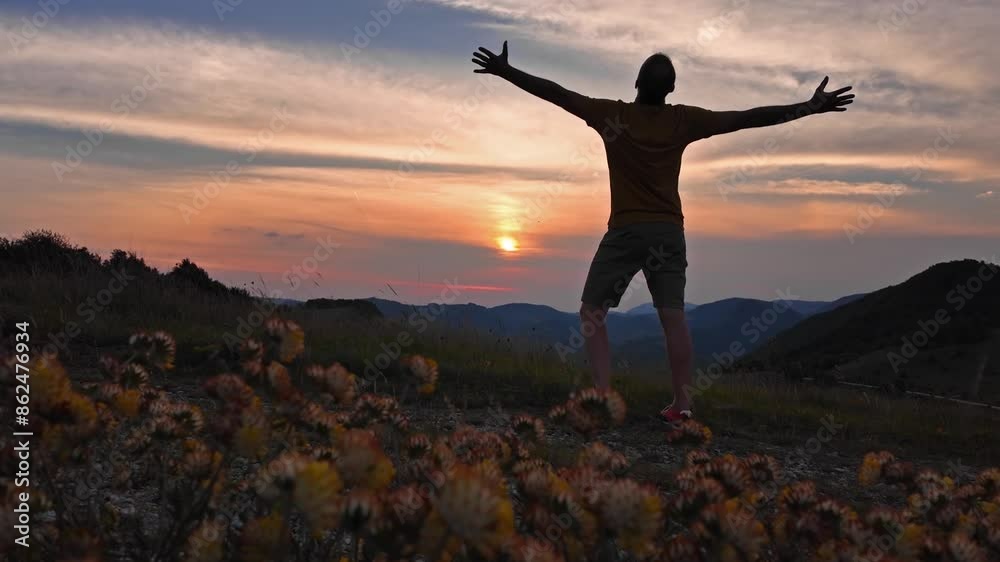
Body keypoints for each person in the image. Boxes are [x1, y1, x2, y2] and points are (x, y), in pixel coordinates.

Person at [471, 41, 854, 424]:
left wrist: (506, 71)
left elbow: (556, 93)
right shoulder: (682, 121)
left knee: (592, 311)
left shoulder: (611, 115)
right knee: (673, 317)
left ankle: (603, 396)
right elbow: (748, 117)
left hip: (625, 230)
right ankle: (682, 406)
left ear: (636, 81)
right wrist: (808, 107)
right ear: (670, 91)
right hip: (669, 232)